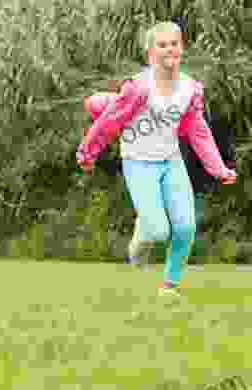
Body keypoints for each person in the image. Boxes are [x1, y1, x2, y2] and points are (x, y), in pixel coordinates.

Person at [76, 21, 237, 300]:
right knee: (158, 230)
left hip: (170, 161)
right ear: (151, 54)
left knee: (186, 226)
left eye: (174, 44)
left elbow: (197, 131)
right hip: (138, 162)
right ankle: (142, 236)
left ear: (181, 49)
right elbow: (109, 122)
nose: (169, 49)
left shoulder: (190, 89)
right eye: (162, 45)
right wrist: (88, 153)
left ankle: (169, 286)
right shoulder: (139, 88)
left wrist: (218, 168)